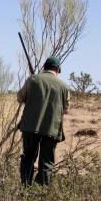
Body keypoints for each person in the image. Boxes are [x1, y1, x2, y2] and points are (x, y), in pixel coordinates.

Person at [17, 56, 70, 185]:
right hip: (52, 129)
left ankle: (25, 189)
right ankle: (40, 195)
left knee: (28, 158)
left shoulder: (33, 79)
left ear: (44, 67)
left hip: (30, 127)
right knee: (46, 163)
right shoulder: (64, 86)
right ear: (57, 69)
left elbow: (20, 98)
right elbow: (65, 110)